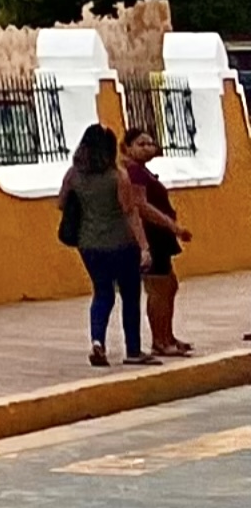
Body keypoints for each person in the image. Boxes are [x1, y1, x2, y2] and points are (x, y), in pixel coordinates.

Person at [64, 118, 150, 364]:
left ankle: (97, 340)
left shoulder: (73, 176)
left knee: (102, 294)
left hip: (89, 244)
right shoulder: (117, 177)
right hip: (121, 244)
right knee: (130, 295)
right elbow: (130, 212)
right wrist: (144, 246)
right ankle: (133, 350)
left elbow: (61, 203)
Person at [128, 119, 191, 358]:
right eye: (141, 143)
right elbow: (141, 206)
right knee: (158, 288)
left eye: (150, 143)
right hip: (151, 235)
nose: (147, 147)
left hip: (160, 236)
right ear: (128, 147)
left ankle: (168, 335)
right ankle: (160, 340)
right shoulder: (134, 173)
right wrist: (172, 226)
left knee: (170, 285)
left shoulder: (143, 172)